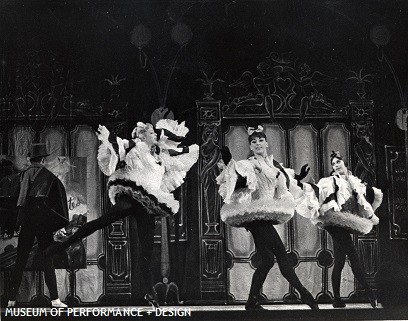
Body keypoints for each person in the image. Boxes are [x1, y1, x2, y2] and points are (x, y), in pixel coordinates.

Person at [45, 119, 199, 307]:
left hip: (148, 203)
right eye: (151, 132)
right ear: (142, 135)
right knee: (101, 222)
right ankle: (59, 247)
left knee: (147, 250)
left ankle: (149, 292)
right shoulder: (138, 146)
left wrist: (188, 147)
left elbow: (178, 153)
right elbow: (121, 146)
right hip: (133, 195)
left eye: (154, 133)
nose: (155, 135)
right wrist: (107, 137)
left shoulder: (159, 156)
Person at [216, 125, 318, 310]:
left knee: (268, 261)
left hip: (265, 216)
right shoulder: (250, 163)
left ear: (267, 143)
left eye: (260, 140)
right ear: (251, 145)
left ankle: (251, 302)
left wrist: (299, 176)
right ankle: (306, 296)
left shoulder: (274, 164)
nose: (257, 144)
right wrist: (229, 161)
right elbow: (239, 176)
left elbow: (285, 178)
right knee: (281, 255)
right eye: (253, 141)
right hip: (256, 217)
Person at [296, 151, 382, 308]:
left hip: (344, 223)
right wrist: (301, 183)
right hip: (334, 222)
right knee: (354, 257)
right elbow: (318, 190)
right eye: (334, 164)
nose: (336, 165)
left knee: (340, 262)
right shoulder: (331, 181)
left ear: (345, 163)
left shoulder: (353, 181)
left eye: (338, 162)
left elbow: (361, 201)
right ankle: (370, 292)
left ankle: (336, 299)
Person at [7, 143, 69, 308]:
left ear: (31, 158)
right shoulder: (50, 176)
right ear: (43, 159)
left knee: (20, 260)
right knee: (47, 259)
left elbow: (18, 201)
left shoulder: (22, 175)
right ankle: (55, 300)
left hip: (27, 222)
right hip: (43, 223)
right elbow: (58, 202)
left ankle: (11, 299)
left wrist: (17, 223)